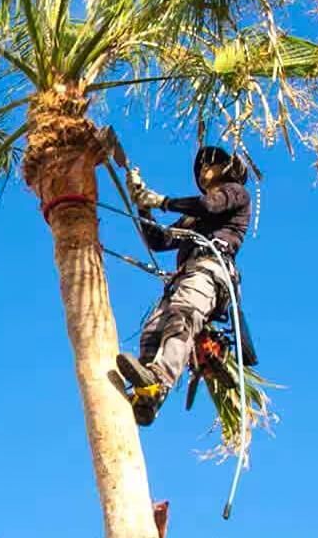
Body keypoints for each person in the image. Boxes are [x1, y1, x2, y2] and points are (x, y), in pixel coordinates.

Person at [116, 146, 252, 426]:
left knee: (182, 316)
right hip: (183, 277)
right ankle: (148, 393)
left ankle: (161, 378)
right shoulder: (194, 219)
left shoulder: (236, 193)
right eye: (199, 168)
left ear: (227, 167)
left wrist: (161, 201)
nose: (203, 171)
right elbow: (159, 240)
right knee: (152, 332)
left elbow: (209, 205)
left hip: (209, 271)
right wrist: (142, 204)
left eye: (209, 165)